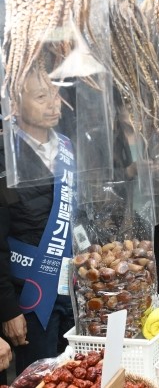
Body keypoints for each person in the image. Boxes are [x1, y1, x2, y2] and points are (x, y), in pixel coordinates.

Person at [0, 71, 75, 376]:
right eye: (41, 96)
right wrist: (7, 307)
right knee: (39, 378)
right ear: (15, 104)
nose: (53, 104)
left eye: (55, 95)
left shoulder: (70, 148)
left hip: (73, 289)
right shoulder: (6, 158)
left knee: (76, 372)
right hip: (30, 295)